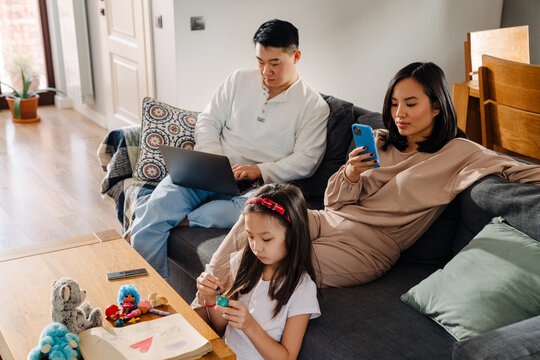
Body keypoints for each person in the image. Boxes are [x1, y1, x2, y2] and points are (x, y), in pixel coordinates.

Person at [193, 61, 540, 306]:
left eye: (411, 103)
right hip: (328, 220)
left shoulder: (460, 153)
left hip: (366, 248)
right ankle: (202, 299)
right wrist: (350, 174)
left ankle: (220, 316)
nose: (399, 112)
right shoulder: (380, 139)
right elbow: (333, 204)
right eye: (394, 103)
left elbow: (521, 170)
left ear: (437, 107)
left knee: (272, 259)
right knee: (260, 211)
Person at [131, 19, 330, 277]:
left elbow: (308, 159)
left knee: (241, 214)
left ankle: (183, 218)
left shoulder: (313, 106)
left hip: (257, 188)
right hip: (211, 173)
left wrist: (259, 170)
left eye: (275, 63)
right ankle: (151, 298)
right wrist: (214, 157)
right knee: (153, 213)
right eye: (260, 62)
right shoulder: (238, 80)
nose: (265, 71)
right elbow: (208, 119)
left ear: (296, 56)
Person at [196, 183, 320, 360]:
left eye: (266, 239)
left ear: (293, 235)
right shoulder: (241, 262)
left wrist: (249, 326)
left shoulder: (302, 288)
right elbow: (221, 327)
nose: (256, 247)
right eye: (250, 236)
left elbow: (287, 357)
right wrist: (210, 299)